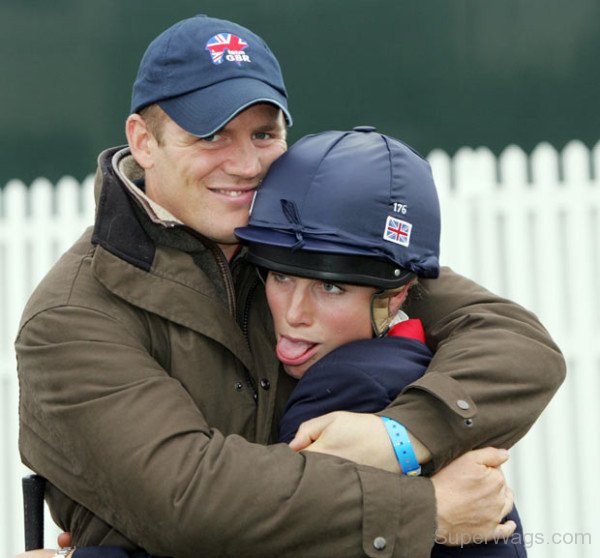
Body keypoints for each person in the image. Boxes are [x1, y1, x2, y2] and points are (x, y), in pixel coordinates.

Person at [15, 14, 564, 558]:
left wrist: (399, 436)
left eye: (264, 133)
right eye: (211, 135)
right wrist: (425, 511)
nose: (247, 163)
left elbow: (516, 344)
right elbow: (188, 498)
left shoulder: (309, 238)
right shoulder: (71, 317)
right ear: (144, 141)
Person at [235, 127, 527, 556]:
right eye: (280, 276)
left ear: (394, 298)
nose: (294, 313)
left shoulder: (347, 387)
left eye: (330, 288)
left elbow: (272, 533)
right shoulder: (417, 358)